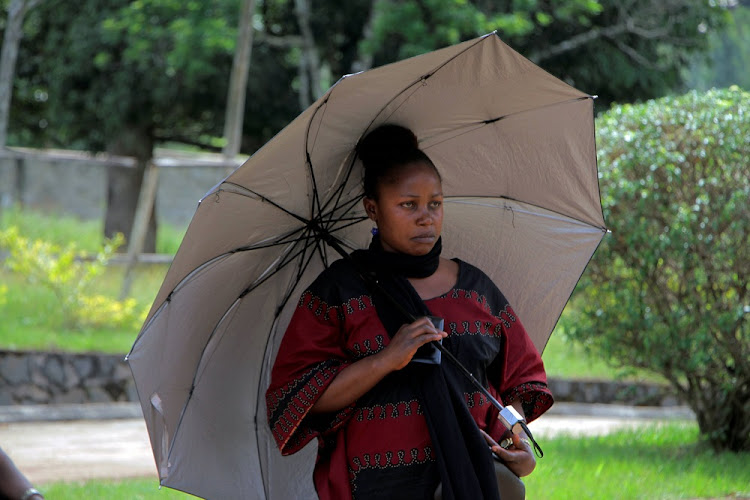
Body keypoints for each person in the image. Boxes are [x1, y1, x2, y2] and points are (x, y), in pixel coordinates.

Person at [265, 124, 553, 499]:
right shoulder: (338, 292)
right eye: (408, 205)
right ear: (373, 208)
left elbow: (518, 380)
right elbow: (299, 394)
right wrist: (386, 360)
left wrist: (519, 444)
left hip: (473, 478)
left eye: (435, 203)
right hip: (374, 486)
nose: (425, 217)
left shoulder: (477, 290)